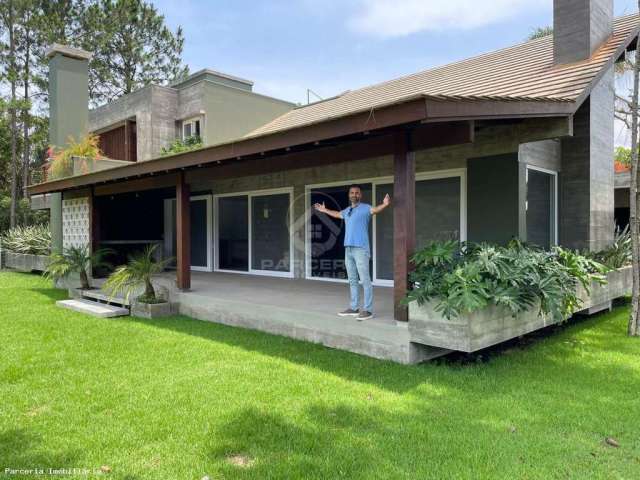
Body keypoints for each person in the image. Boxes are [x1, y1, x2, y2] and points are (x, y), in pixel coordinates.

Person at [314, 184, 391, 321]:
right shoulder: (348, 210)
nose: (354, 194)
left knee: (365, 280)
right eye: (352, 193)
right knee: (352, 280)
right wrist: (325, 210)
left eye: (357, 193)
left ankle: (368, 310)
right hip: (348, 248)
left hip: (360, 249)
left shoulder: (365, 208)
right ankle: (354, 308)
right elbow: (338, 214)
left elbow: (375, 210)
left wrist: (384, 205)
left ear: (360, 195)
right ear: (349, 195)